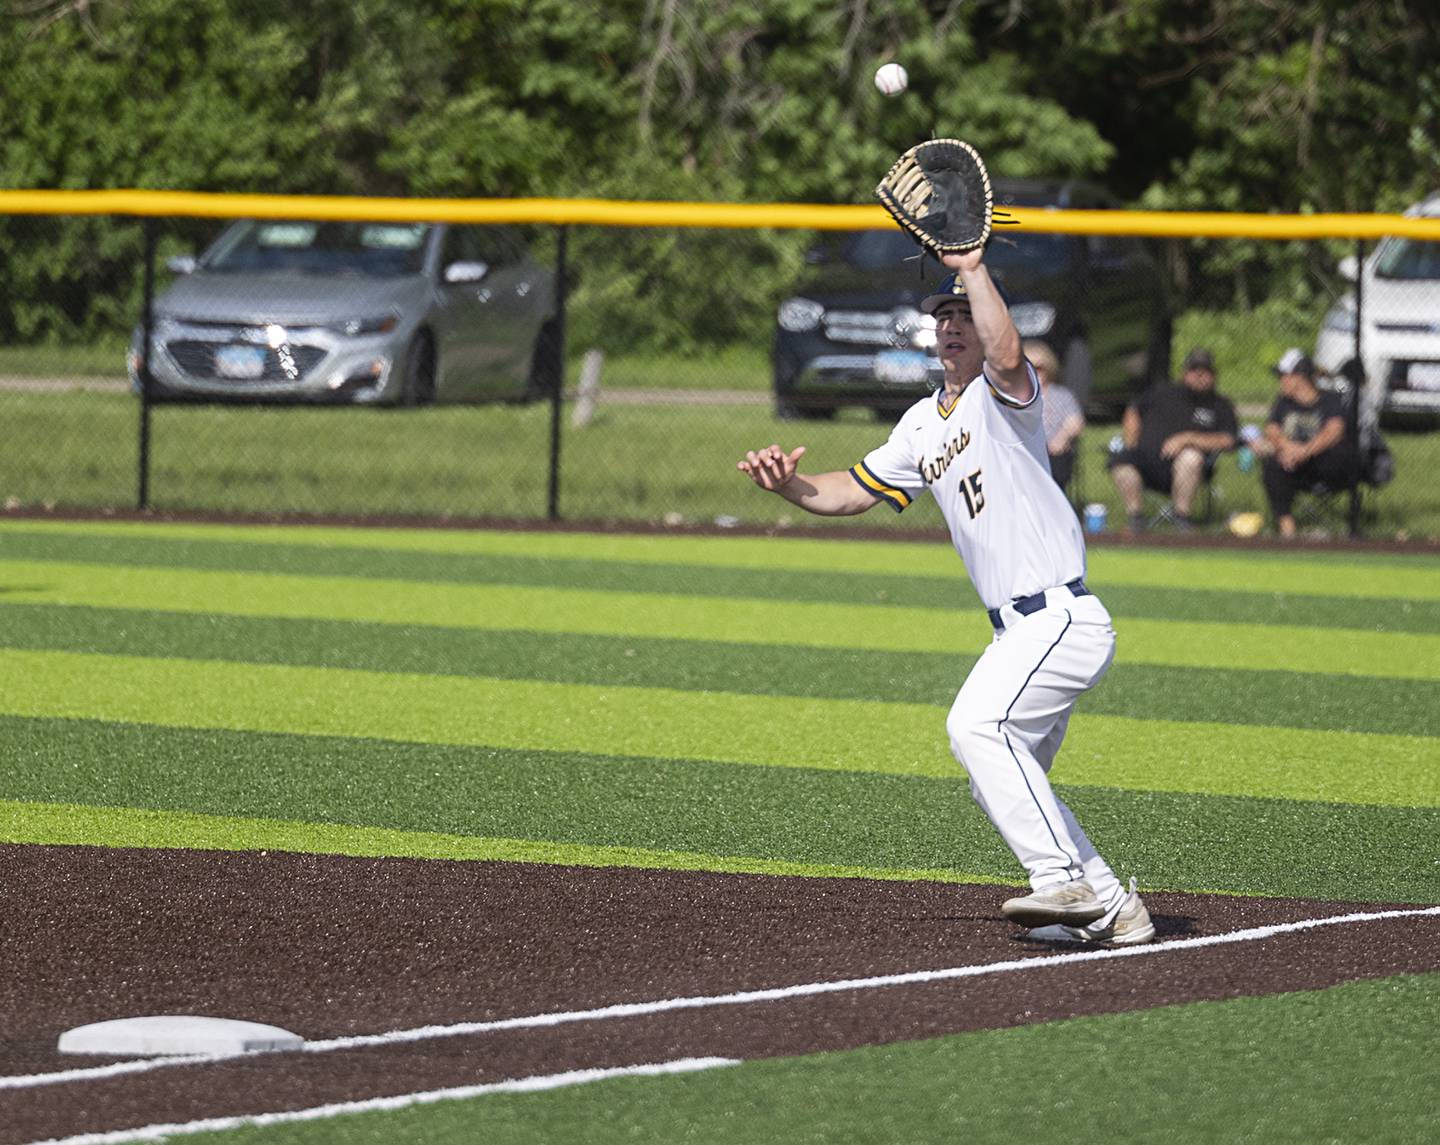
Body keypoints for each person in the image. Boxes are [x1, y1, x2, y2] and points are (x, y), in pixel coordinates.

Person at [737, 247, 1154, 947]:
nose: (952, 325)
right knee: (998, 769)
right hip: (1017, 630)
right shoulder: (921, 423)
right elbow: (850, 491)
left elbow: (1009, 349)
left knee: (976, 728)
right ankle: (1115, 906)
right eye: (943, 317)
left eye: (963, 313)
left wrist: (972, 267)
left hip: (1059, 615)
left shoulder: (1006, 396)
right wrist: (788, 487)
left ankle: (1064, 880)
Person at [1106, 347, 1238, 532]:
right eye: (1194, 370)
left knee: (1190, 457)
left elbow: (1228, 440)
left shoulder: (1220, 405)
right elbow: (1133, 410)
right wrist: (1131, 440)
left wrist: (1188, 439)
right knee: (1121, 462)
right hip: (1145, 462)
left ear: (1213, 375)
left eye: (1205, 371)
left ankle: (1181, 517)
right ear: (1185, 373)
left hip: (1185, 469)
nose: (1200, 375)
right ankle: (1136, 517)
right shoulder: (1162, 393)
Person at [1255, 348, 1359, 539]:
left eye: (1283, 376)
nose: (1281, 381)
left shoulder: (1330, 400)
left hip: (1324, 464)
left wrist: (1305, 451)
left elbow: (1333, 431)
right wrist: (1287, 448)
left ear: (1299, 378)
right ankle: (1287, 529)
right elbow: (1272, 430)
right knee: (1272, 464)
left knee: (1339, 452)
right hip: (1293, 465)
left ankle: (1352, 526)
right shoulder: (1283, 402)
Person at [1026, 340, 1085, 491]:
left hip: (1054, 452)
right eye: (1028, 367)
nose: (1034, 372)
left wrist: (1062, 437)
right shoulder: (1014, 397)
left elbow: (1075, 421)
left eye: (1039, 368)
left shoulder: (1062, 395)